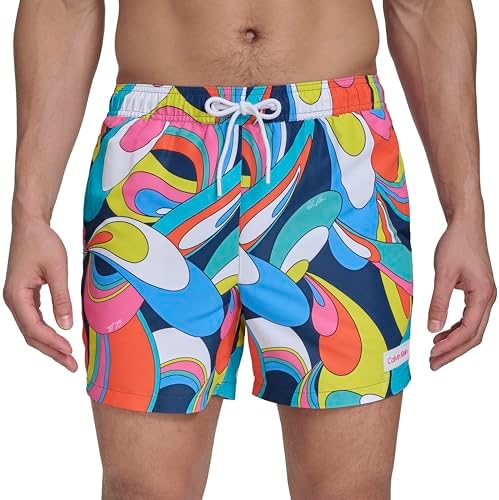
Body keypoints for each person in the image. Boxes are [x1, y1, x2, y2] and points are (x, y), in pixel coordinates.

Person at [4, 0, 496, 499]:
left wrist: (465, 212)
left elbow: (426, 7)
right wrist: (30, 215)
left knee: (351, 491)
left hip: (338, 153)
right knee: (143, 490)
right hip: (157, 152)